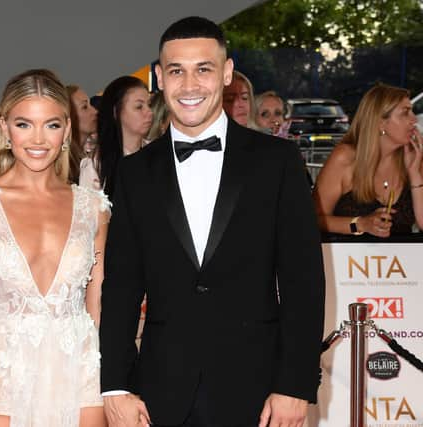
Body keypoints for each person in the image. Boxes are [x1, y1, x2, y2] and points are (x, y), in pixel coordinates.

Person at [99, 16, 325, 427]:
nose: (188, 86)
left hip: (257, 392)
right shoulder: (135, 173)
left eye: (203, 69)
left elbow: (303, 281)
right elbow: (121, 287)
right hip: (159, 392)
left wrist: (295, 384)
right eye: (176, 71)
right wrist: (114, 386)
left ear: (226, 73)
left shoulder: (277, 162)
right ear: (159, 79)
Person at [0, 69, 110, 427]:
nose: (38, 139)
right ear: (4, 127)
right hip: (8, 371)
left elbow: (98, 303)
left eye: (51, 125)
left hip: (82, 370)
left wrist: (113, 385)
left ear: (67, 130)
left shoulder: (93, 208)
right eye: (25, 124)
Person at [313, 84, 423, 236]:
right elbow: (313, 220)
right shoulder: (345, 157)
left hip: (401, 259)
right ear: (381, 122)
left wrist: (415, 173)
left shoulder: (413, 159)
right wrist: (360, 224)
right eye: (405, 113)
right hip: (347, 258)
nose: (414, 119)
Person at [86, 76, 153, 195]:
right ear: (116, 112)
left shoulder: (157, 153)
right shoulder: (94, 165)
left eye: (149, 105)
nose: (149, 112)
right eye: (139, 107)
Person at [67, 84, 98, 184]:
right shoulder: (66, 165)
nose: (95, 111)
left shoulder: (85, 157)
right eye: (85, 107)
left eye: (90, 105)